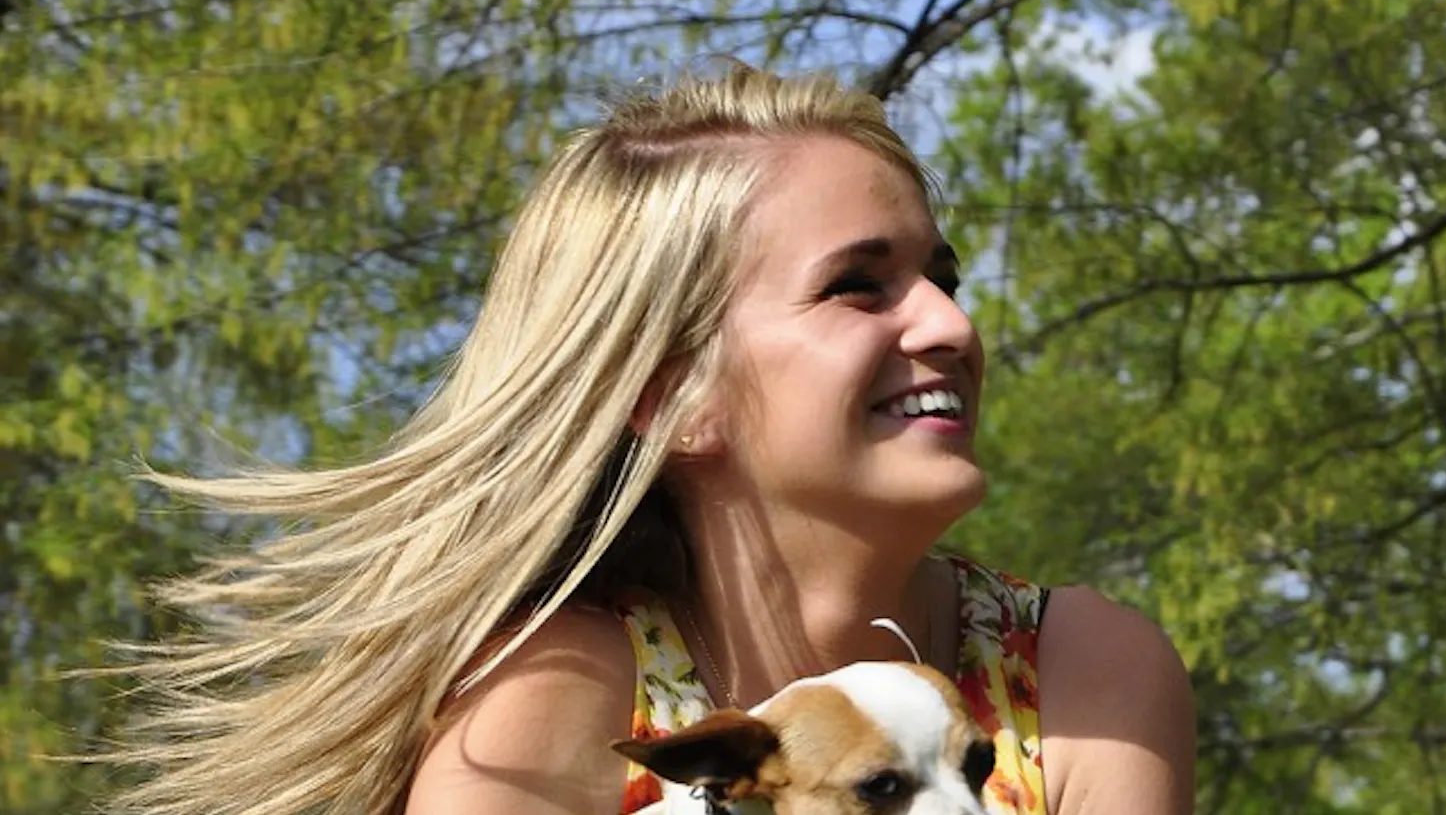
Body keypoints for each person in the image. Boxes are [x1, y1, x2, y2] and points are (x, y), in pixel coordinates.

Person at [108, 62, 1195, 815]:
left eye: (941, 277)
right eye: (858, 287)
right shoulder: (555, 699)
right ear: (675, 397)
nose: (951, 324)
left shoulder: (1083, 673)